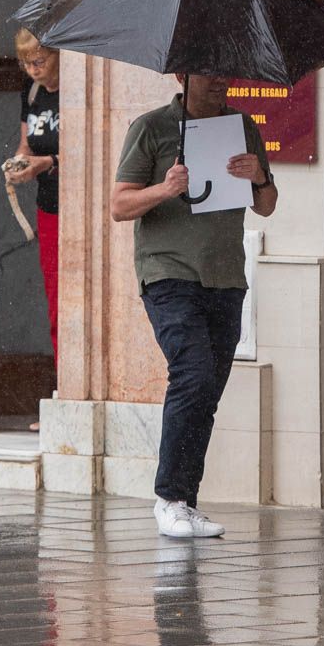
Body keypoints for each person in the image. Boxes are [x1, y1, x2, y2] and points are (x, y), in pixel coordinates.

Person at [110, 74, 277, 539]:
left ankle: (184, 501)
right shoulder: (151, 128)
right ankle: (169, 498)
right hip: (167, 272)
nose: (220, 81)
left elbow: (267, 205)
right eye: (209, 72)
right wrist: (165, 189)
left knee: (207, 390)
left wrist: (259, 176)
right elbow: (119, 205)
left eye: (225, 72)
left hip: (225, 276)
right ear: (183, 75)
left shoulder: (242, 127)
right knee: (194, 372)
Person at [6, 28, 61, 432]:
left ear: (57, 56)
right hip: (48, 207)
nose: (32, 69)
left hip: (78, 207)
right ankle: (61, 393)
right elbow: (27, 144)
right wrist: (21, 163)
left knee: (72, 302)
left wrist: (50, 163)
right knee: (55, 302)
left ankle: (69, 396)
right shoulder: (33, 93)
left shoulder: (74, 92)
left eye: (38, 60)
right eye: (26, 63)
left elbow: (88, 148)